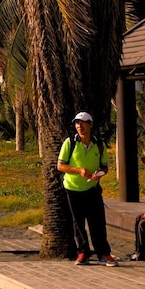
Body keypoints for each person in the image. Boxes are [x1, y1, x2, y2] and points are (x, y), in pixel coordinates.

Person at [57, 111, 117, 266]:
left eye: (83, 123)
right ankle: (83, 252)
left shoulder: (99, 144)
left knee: (97, 223)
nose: (79, 126)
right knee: (78, 223)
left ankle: (104, 254)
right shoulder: (69, 143)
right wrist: (79, 170)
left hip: (92, 189)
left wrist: (100, 174)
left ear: (91, 125)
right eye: (77, 123)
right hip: (72, 189)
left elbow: (105, 167)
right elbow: (60, 165)